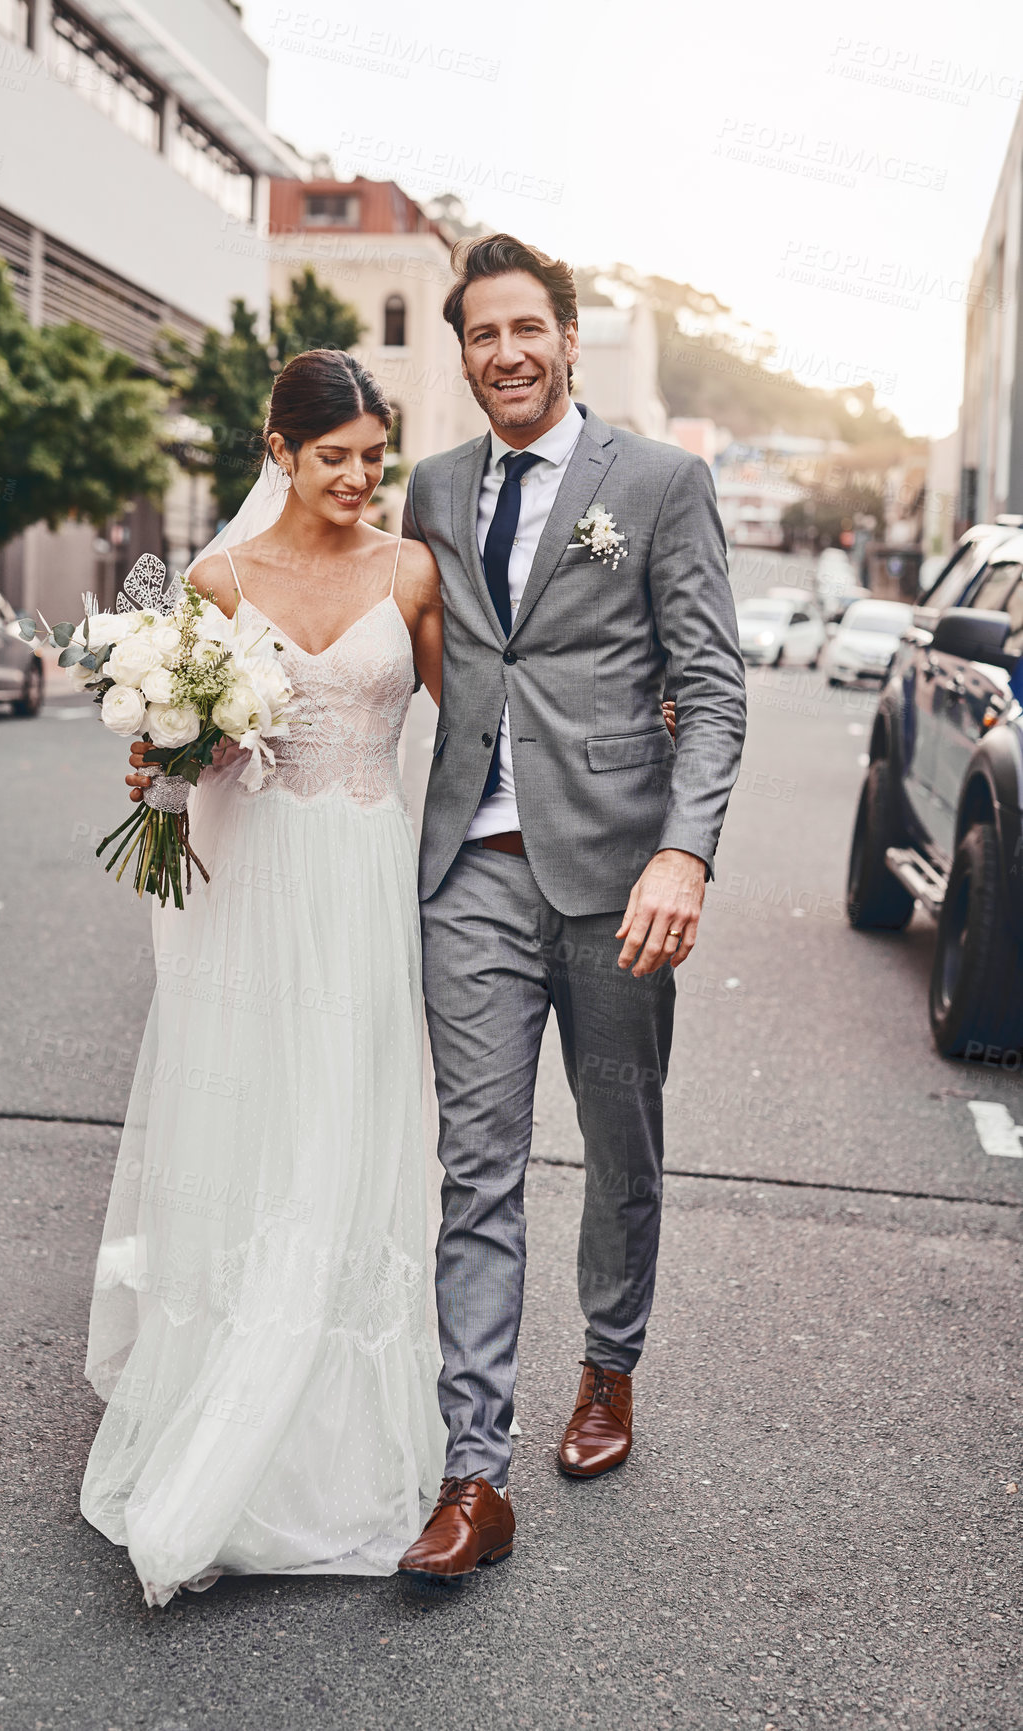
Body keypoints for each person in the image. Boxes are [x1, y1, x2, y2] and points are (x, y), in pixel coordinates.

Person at [394, 235, 747, 1586]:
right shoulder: (431, 486)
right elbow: (387, 643)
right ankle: (469, 1469)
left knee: (617, 1139)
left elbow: (708, 684)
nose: (505, 355)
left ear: (566, 338)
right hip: (469, 872)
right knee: (475, 1162)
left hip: (612, 878)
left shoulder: (655, 482)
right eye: (481, 335)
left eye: (525, 328)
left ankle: (607, 1364)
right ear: (461, 350)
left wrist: (685, 853)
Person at [80, 350, 447, 1605]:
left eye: (374, 457)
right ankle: (220, 1405)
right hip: (252, 893)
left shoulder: (411, 571)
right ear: (279, 450)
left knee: (346, 1136)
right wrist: (164, 761)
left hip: (358, 887)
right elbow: (179, 757)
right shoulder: (216, 578)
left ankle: (325, 1446)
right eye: (334, 455)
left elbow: (486, 723)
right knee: (257, 1130)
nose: (359, 478)